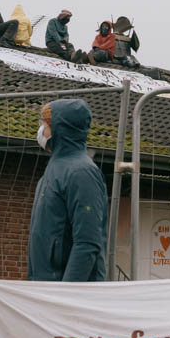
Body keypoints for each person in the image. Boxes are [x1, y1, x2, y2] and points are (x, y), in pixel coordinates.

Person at [28, 99, 108, 281]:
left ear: (60, 128)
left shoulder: (81, 173)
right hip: (46, 289)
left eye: (45, 124)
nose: (41, 130)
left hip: (70, 298)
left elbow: (87, 243)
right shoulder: (54, 170)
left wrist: (66, 294)